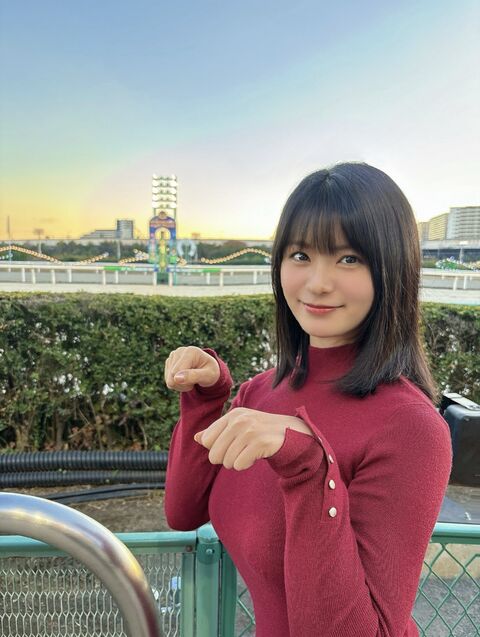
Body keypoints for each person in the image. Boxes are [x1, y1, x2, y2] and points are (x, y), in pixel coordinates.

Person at [163, 162, 453, 637]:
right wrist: (206, 398)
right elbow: (183, 512)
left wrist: (310, 465)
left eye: (349, 258)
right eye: (300, 255)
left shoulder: (411, 428)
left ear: (393, 268)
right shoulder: (260, 393)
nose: (317, 282)